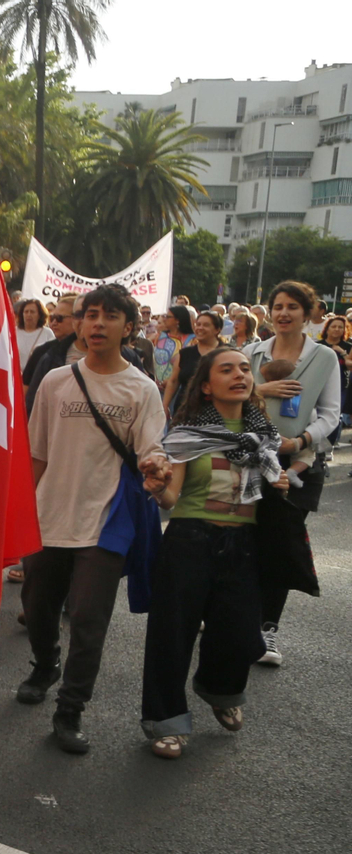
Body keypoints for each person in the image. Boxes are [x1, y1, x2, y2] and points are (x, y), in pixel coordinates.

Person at [15, 284, 166, 753]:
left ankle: (70, 710)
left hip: (107, 520)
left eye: (110, 316)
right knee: (38, 607)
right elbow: (35, 453)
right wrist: (21, 514)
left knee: (88, 617)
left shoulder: (141, 389)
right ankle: (45, 664)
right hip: (49, 514)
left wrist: (155, 466)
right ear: (79, 323)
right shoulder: (57, 381)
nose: (97, 323)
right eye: (90, 315)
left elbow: (152, 448)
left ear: (129, 326)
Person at [140, 345, 288, 759]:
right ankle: (165, 722)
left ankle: (220, 689)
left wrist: (279, 485)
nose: (240, 374)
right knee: (173, 634)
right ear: (206, 386)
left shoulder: (263, 435)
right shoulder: (188, 434)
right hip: (191, 540)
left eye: (245, 368)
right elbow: (171, 496)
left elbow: (272, 489)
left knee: (241, 633)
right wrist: (157, 486)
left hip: (244, 545)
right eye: (227, 370)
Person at [243, 280, 339, 666]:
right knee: (244, 541)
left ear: (307, 313)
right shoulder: (251, 352)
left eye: (292, 307)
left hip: (297, 461)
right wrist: (262, 392)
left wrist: (299, 441)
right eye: (278, 306)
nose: (283, 313)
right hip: (249, 458)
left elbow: (331, 414)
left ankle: (266, 628)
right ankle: (237, 619)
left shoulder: (324, 357)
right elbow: (227, 397)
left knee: (280, 544)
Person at [168, 310, 226, 415]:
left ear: (217, 330)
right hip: (185, 411)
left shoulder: (228, 353)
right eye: (198, 324)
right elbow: (173, 381)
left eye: (206, 325)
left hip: (218, 411)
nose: (200, 328)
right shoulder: (185, 354)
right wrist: (164, 405)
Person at [150, 304, 191, 390]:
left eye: (168, 317)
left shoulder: (191, 340)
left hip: (179, 389)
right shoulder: (161, 336)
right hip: (157, 387)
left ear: (177, 320)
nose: (164, 319)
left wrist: (170, 381)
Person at [13, 299, 51, 373]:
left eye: (32, 312)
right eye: (26, 312)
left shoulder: (47, 333)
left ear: (40, 314)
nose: (29, 315)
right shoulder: (13, 332)